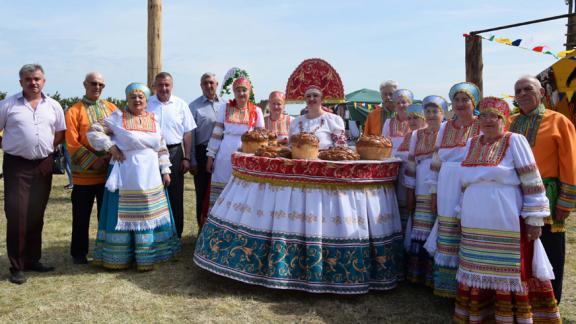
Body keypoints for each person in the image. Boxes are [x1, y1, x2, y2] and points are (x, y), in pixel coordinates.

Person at [454, 97, 561, 323]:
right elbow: (463, 183)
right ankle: (480, 313)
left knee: (510, 267)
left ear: (504, 119)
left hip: (506, 216)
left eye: (494, 116)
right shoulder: (471, 143)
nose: (488, 120)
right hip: (474, 218)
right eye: (483, 116)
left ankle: (511, 316)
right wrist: (459, 211)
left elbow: (531, 179)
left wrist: (534, 218)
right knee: (477, 263)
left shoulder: (515, 141)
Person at [87, 83, 180, 270]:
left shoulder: (153, 119)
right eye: (133, 97)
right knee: (125, 214)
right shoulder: (117, 117)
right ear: (127, 99)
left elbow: (160, 146)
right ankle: (120, 256)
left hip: (151, 174)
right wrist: (110, 146)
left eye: (141, 97)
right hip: (126, 174)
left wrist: (166, 170)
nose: (137, 100)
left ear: (146, 101)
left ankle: (149, 255)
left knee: (148, 211)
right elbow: (93, 131)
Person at [509, 75, 576, 303]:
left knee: (550, 249)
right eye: (518, 91)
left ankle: (550, 302)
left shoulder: (559, 121)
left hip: (549, 194)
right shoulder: (510, 122)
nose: (523, 94)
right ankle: (523, 300)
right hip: (515, 195)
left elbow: (570, 163)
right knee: (522, 249)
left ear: (541, 93)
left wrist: (566, 201)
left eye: (528, 89)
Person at [0, 64, 66, 284]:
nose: (33, 82)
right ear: (21, 82)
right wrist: (9, 145)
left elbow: (60, 132)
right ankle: (17, 266)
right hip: (16, 165)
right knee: (17, 215)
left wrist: (46, 149)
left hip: (44, 165)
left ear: (44, 81)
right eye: (28, 79)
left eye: (37, 79)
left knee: (36, 214)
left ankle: (33, 259)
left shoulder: (53, 105)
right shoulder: (8, 105)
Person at [425, 82, 481, 298]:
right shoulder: (445, 127)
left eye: (464, 100)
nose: (459, 104)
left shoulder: (480, 124)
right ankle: (446, 287)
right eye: (456, 100)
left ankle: (469, 288)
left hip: (470, 182)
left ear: (473, 102)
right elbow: (436, 161)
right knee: (447, 228)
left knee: (467, 226)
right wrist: (434, 192)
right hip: (446, 184)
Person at [65, 72, 117, 264]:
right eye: (94, 83)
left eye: (101, 85)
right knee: (81, 216)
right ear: (85, 84)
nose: (97, 87)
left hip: (107, 175)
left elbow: (119, 133)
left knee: (106, 216)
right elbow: (71, 142)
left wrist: (111, 154)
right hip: (83, 176)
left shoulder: (112, 108)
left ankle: (106, 250)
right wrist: (93, 161)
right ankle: (79, 253)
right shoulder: (73, 111)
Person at [204, 77, 264, 225]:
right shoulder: (225, 108)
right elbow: (217, 133)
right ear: (234, 92)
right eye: (238, 90)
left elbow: (261, 138)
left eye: (244, 90)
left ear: (249, 92)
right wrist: (210, 156)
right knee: (222, 189)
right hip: (225, 155)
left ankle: (240, 224)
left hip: (246, 157)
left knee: (243, 192)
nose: (241, 93)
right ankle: (216, 225)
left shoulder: (256, 111)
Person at [404, 95, 448, 286]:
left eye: (435, 111)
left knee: (438, 226)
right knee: (420, 226)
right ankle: (418, 275)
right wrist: (410, 191)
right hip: (422, 183)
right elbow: (411, 163)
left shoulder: (447, 131)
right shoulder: (417, 135)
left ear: (443, 113)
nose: (430, 115)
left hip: (442, 183)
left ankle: (436, 277)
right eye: (427, 111)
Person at [147, 72, 196, 238]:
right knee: (153, 193)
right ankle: (154, 234)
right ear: (154, 86)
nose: (163, 88)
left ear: (172, 86)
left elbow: (188, 134)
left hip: (175, 153)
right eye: (160, 85)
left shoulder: (181, 105)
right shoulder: (147, 104)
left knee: (175, 195)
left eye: (167, 85)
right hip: (151, 155)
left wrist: (187, 157)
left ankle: (176, 234)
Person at [189, 73, 223, 228]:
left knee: (221, 192)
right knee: (202, 194)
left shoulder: (226, 105)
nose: (209, 86)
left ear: (217, 84)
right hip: (202, 154)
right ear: (201, 85)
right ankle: (202, 229)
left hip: (222, 154)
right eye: (205, 83)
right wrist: (193, 160)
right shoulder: (194, 106)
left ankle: (219, 228)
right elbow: (191, 136)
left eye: (212, 82)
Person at [395, 103, 427, 230]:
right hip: (404, 179)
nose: (412, 121)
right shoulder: (409, 135)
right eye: (409, 118)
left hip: (419, 179)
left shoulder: (427, 134)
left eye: (416, 118)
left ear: (424, 118)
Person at [382, 89, 412, 155]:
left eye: (404, 102)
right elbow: (383, 143)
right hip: (392, 160)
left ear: (410, 104)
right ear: (395, 106)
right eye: (398, 103)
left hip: (410, 160)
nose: (401, 105)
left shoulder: (417, 122)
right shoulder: (388, 122)